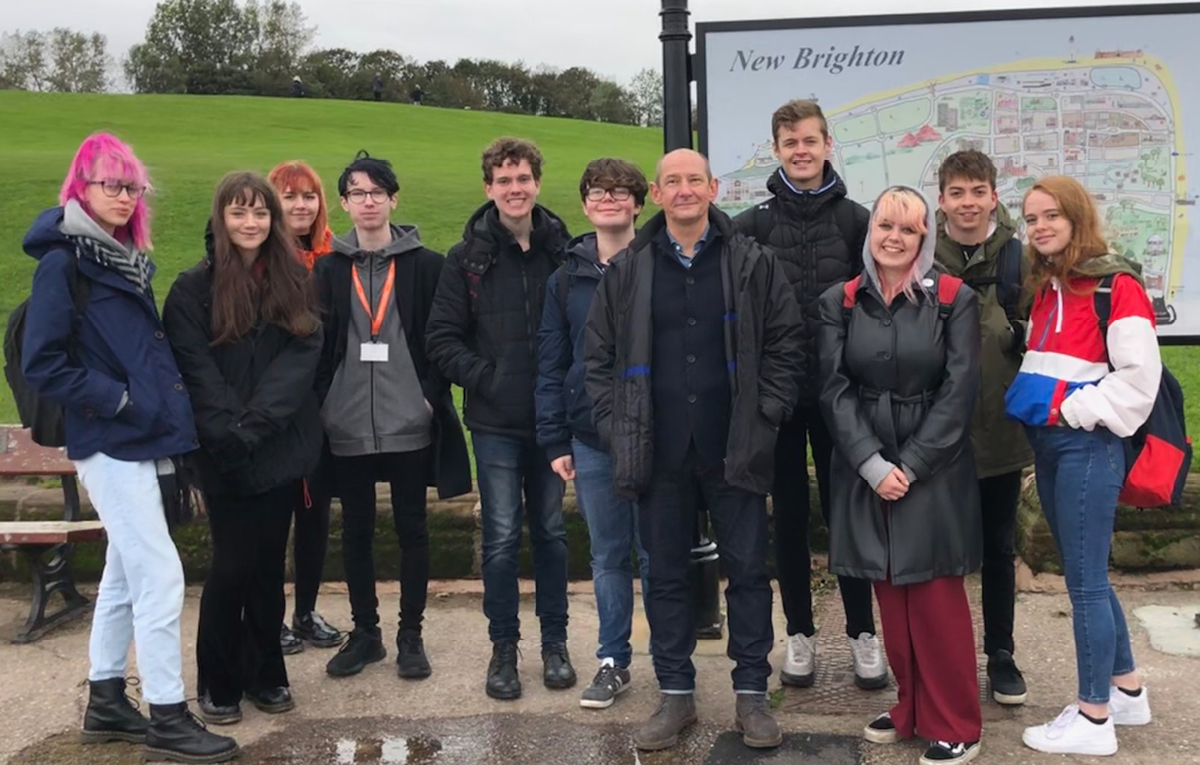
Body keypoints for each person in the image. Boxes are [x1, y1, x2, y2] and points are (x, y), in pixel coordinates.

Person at [21, 132, 238, 763]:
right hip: (109, 441)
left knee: (122, 575)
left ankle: (107, 700)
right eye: (108, 184)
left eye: (130, 185)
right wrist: (117, 400)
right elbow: (45, 364)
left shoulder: (122, 258)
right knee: (161, 575)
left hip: (141, 438)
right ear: (80, 188)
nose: (122, 195)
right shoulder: (64, 262)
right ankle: (170, 716)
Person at [584, 148, 802, 751]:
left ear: (714, 188)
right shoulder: (629, 270)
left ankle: (752, 694)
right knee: (665, 577)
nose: (684, 190)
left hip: (736, 444)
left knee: (750, 574)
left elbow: (786, 343)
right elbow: (597, 359)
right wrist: (615, 424)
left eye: (694, 180)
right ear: (656, 193)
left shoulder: (751, 261)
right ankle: (675, 693)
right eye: (672, 181)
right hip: (657, 450)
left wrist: (767, 413)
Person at [817, 186, 982, 765]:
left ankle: (957, 721)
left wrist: (909, 465)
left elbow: (959, 393)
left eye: (908, 229)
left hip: (932, 467)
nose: (894, 237)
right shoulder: (840, 300)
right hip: (866, 467)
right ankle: (912, 707)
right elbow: (833, 389)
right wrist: (870, 463)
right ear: (871, 230)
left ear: (924, 238)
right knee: (891, 596)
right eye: (885, 224)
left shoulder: (953, 299)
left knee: (935, 598)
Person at [732, 99, 882, 690]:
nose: (801, 150)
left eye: (810, 140)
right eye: (789, 141)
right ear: (776, 149)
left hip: (843, 396)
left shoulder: (856, 221)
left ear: (827, 145)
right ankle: (799, 634)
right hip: (780, 398)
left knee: (849, 513)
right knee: (789, 518)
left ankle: (863, 635)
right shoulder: (751, 226)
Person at [164, 171, 323, 726]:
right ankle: (218, 678)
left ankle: (266, 672)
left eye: (259, 213)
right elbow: (196, 369)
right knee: (231, 565)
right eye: (239, 213)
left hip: (278, 445)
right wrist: (229, 428)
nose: (250, 223)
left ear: (273, 220)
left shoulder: (296, 282)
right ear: (221, 218)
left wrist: (255, 424)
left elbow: (300, 360)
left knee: (266, 567)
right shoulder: (192, 288)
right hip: (222, 450)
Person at [1006, 175, 1157, 756]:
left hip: (1085, 445)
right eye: (1032, 218)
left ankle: (1094, 719)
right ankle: (1125, 689)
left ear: (1076, 218)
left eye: (1052, 216)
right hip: (1053, 444)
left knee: (1086, 583)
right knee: (1084, 568)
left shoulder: (1114, 286)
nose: (1040, 227)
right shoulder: (1049, 286)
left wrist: (1075, 410)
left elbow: (1137, 382)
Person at [426, 137, 574, 701]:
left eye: (524, 178)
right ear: (489, 188)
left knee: (553, 534)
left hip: (553, 423)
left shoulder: (564, 250)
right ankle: (503, 648)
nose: (515, 189)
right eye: (504, 180)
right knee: (501, 537)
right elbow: (441, 339)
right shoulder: (466, 259)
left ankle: (555, 644)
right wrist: (490, 377)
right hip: (494, 424)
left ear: (538, 182)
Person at [315, 151, 472, 680]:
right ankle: (365, 635)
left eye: (377, 192)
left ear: (393, 199)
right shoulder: (328, 269)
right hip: (347, 423)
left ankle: (411, 635)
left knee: (412, 529)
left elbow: (443, 337)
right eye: (357, 192)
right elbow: (318, 346)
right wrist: (325, 404)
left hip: (410, 422)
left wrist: (427, 396)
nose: (367, 201)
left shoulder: (427, 264)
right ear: (343, 203)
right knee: (355, 531)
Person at [535, 158, 651, 710]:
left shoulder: (658, 265)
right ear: (584, 204)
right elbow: (552, 363)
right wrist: (555, 438)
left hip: (654, 432)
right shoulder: (565, 278)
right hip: (590, 434)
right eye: (598, 191)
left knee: (658, 552)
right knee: (608, 557)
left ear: (637, 201)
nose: (609, 199)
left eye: (620, 190)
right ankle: (613, 661)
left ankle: (672, 665)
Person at [934, 150, 1031, 705]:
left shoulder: (1019, 258)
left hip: (999, 432)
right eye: (957, 193)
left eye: (977, 192)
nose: (967, 203)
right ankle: (946, 658)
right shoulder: (923, 256)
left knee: (997, 549)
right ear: (942, 200)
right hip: (937, 438)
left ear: (994, 197)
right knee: (942, 554)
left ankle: (1000, 654)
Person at [267, 160, 343, 656]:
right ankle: (270, 616)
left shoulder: (334, 258)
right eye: (290, 196)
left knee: (314, 516)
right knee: (273, 521)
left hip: (324, 408)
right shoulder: (261, 260)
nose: (300, 205)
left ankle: (306, 610)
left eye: (308, 196)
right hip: (275, 411)